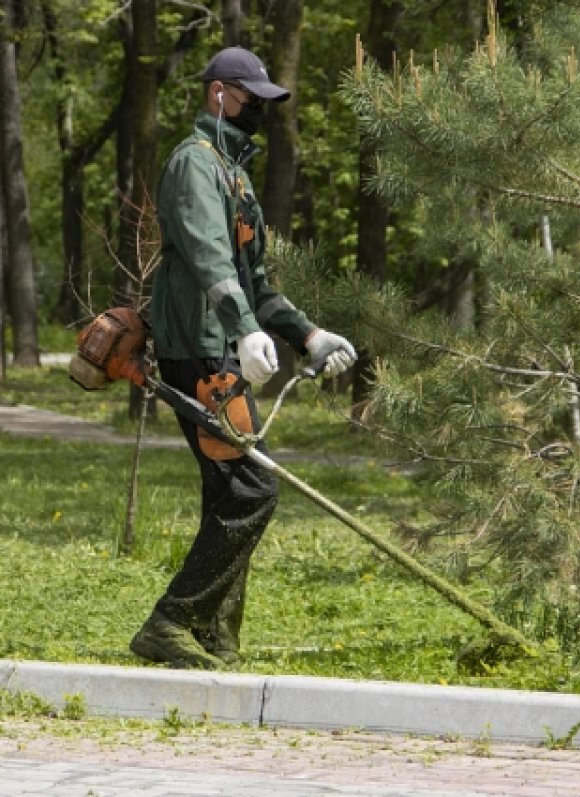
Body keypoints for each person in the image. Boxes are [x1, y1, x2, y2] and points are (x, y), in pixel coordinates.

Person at [129, 46, 357, 669]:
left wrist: (307, 335)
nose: (260, 109)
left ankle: (215, 638)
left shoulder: (233, 175)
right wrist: (245, 331)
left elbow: (253, 279)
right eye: (252, 97)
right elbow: (208, 259)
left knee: (229, 492)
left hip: (221, 347)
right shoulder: (193, 167)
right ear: (219, 94)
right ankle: (171, 622)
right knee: (252, 490)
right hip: (198, 351)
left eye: (265, 101)